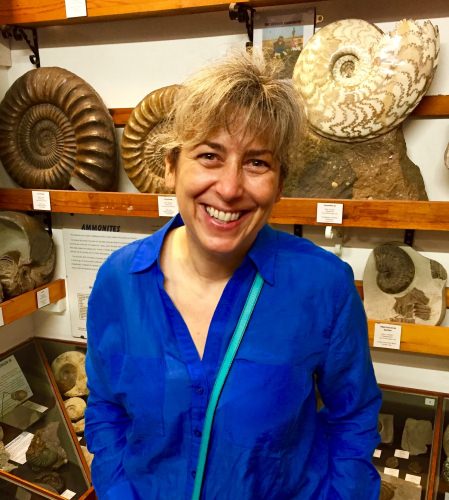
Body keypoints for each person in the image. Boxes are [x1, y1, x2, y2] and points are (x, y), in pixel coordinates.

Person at [85, 51, 382, 499]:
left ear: (280, 183)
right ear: (170, 166)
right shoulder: (118, 281)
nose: (229, 187)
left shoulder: (324, 287)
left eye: (257, 162)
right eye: (209, 156)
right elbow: (106, 408)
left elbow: (353, 419)